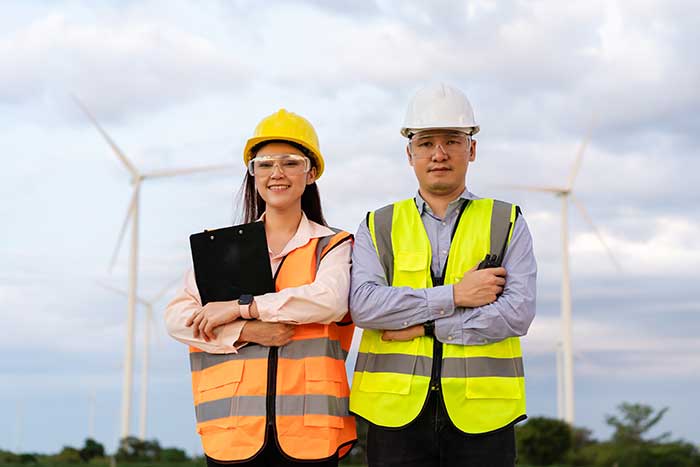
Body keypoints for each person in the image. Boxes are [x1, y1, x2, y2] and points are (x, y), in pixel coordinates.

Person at [349, 83, 537, 467]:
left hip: (484, 417)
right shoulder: (377, 225)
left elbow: (516, 314)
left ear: (472, 149)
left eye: (452, 140)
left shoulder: (507, 221)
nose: (439, 154)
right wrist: (454, 295)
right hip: (393, 415)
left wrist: (427, 328)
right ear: (409, 153)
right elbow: (365, 307)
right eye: (425, 142)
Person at [165, 109, 357, 467]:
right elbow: (177, 318)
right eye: (265, 164)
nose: (277, 173)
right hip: (233, 430)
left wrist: (240, 307)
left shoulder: (333, 245)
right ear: (253, 174)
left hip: (311, 432)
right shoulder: (220, 249)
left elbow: (328, 301)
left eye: (290, 163)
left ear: (311, 173)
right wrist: (246, 330)